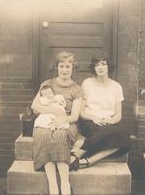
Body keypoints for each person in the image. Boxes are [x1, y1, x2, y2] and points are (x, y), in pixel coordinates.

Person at [70, 53, 136, 170]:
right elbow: (82, 112)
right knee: (121, 138)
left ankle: (84, 156)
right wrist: (94, 118)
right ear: (94, 68)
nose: (100, 67)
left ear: (108, 66)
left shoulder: (116, 87)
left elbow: (118, 116)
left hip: (109, 123)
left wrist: (110, 121)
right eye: (97, 65)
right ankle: (85, 156)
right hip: (90, 122)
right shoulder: (87, 83)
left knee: (125, 138)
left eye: (103, 64)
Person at [31, 51, 83, 195]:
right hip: (45, 120)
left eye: (68, 66)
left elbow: (74, 116)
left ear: (73, 68)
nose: (65, 70)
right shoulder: (47, 84)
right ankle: (53, 185)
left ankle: (65, 184)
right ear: (56, 67)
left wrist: (61, 118)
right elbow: (35, 106)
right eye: (61, 66)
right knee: (43, 134)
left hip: (67, 123)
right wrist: (55, 110)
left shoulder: (77, 89)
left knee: (59, 135)